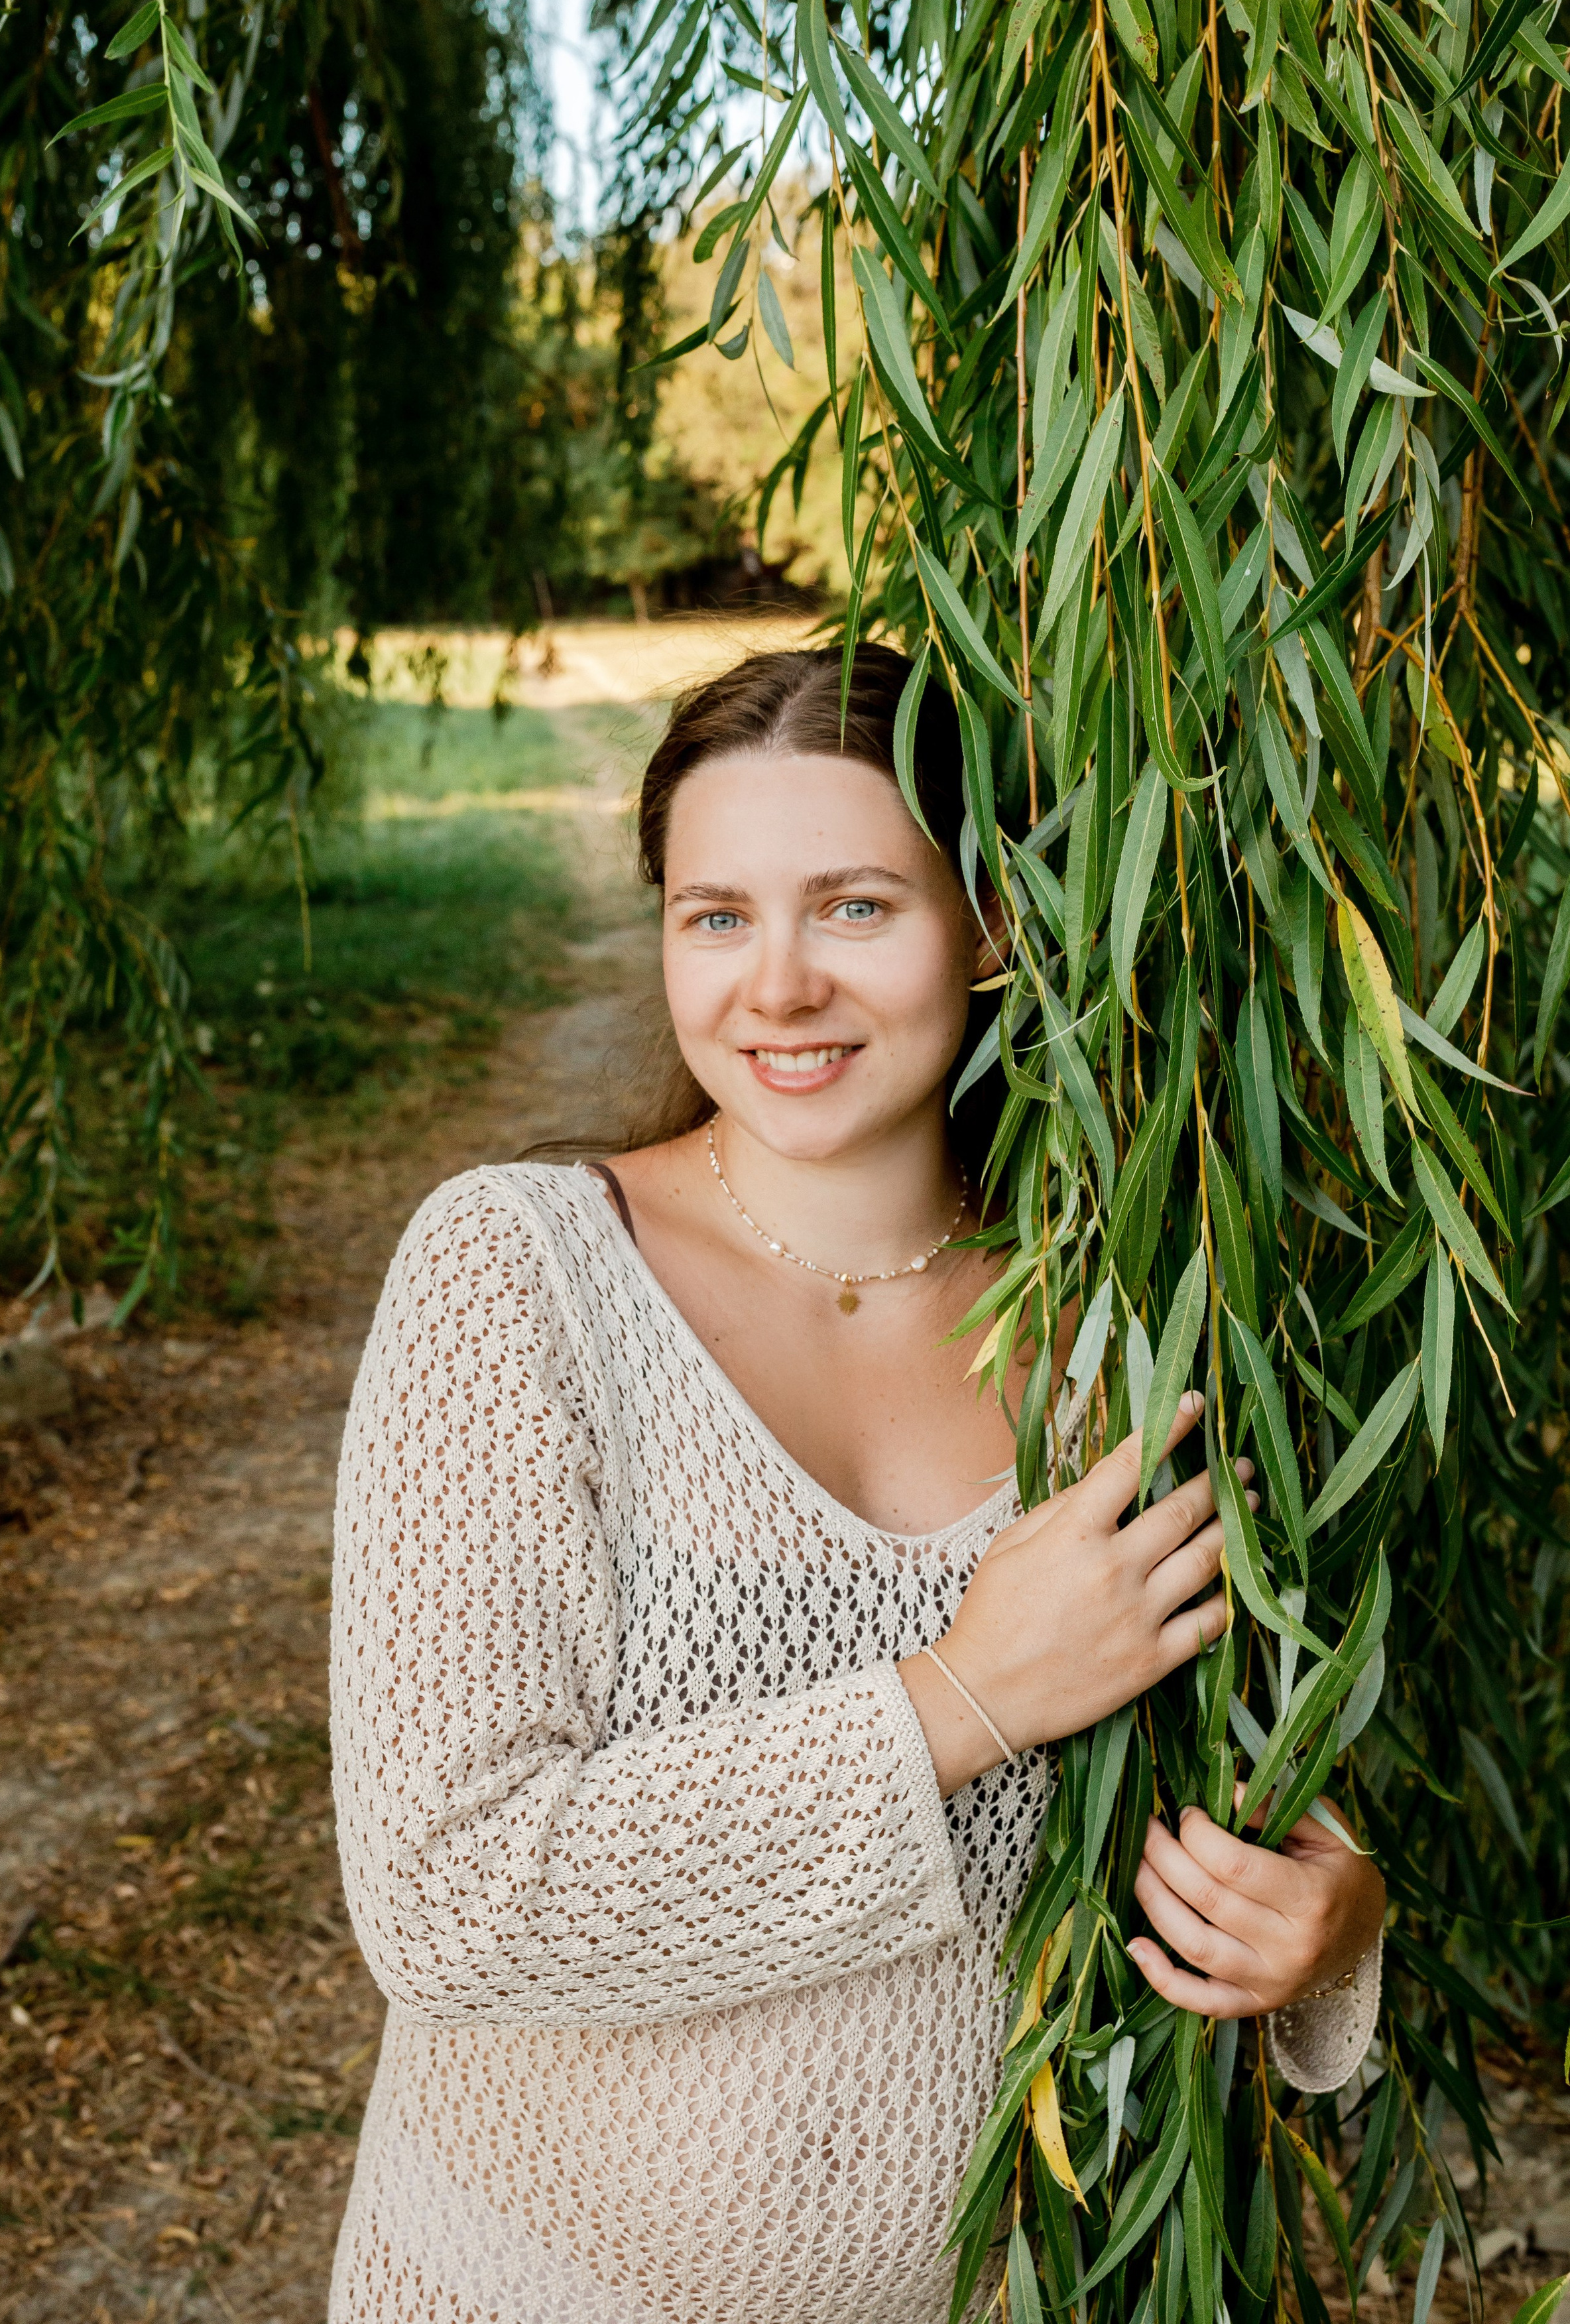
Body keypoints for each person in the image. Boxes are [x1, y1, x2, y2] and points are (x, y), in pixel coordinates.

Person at [328, 645, 1386, 2324]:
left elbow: (1218, 1769)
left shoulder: (1114, 1318)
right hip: (529, 2287)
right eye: (717, 915)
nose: (777, 987)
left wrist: (1326, 1914)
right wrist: (962, 1694)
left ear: (992, 927)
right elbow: (455, 1898)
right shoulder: (521, 1278)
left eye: (857, 908)